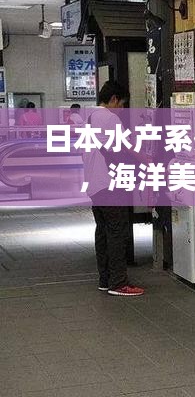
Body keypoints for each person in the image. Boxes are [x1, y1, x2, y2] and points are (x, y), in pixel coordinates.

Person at [82, 81, 145, 296]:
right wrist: (149, 160)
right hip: (108, 185)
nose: (122, 109)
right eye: (122, 104)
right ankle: (119, 283)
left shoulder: (90, 117)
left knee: (103, 231)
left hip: (93, 185)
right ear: (114, 99)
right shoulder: (108, 118)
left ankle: (105, 279)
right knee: (117, 232)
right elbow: (129, 147)